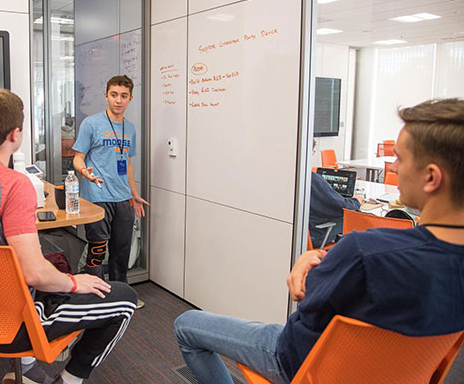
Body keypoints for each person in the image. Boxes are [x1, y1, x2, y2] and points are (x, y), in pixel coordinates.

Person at [174, 98, 464, 384]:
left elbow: (307, 301)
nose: (395, 167)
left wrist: (310, 260)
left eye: (400, 158)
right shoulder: (386, 256)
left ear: (431, 177)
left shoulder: (364, 252)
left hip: (301, 362)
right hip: (394, 375)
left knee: (186, 325)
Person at [0, 88, 137, 384]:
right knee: (124, 298)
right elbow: (34, 274)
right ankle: (68, 379)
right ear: (16, 134)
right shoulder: (14, 185)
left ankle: (28, 370)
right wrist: (76, 282)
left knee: (56, 264)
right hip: (12, 325)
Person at [72, 75, 148, 309]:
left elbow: (128, 164)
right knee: (97, 249)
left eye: (123, 96)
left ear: (130, 99)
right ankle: (95, 298)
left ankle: (121, 296)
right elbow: (78, 158)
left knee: (121, 250)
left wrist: (134, 194)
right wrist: (84, 172)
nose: (118, 100)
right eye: (114, 95)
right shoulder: (92, 124)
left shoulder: (130, 129)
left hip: (123, 198)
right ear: (106, 96)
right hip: (97, 197)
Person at [309, 170, 363, 247]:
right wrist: (356, 201)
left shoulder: (292, 176)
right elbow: (340, 207)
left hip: (296, 233)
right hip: (314, 235)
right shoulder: (312, 178)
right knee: (359, 218)